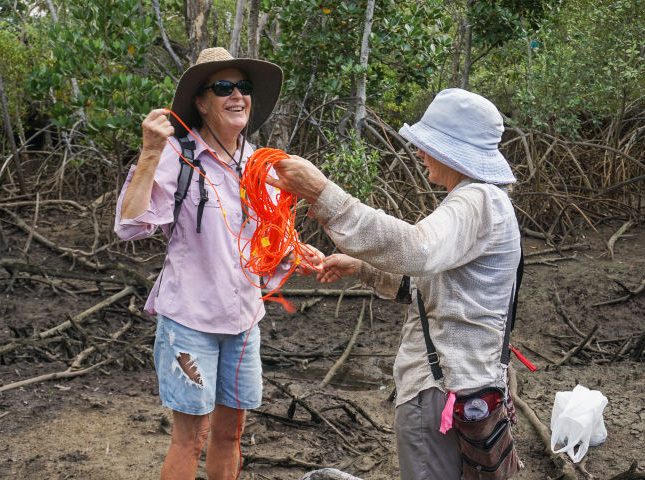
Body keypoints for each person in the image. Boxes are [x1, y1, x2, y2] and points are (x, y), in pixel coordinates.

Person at [266, 88, 522, 479]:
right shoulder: (485, 201)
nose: (420, 153)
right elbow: (431, 286)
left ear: (452, 151)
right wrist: (361, 266)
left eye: (426, 145)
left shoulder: (476, 202)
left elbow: (417, 251)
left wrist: (323, 194)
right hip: (471, 386)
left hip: (444, 389)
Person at [114, 47, 323, 479]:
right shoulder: (177, 155)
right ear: (202, 102)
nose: (237, 96)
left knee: (230, 435)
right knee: (191, 438)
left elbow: (261, 239)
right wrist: (150, 151)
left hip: (244, 319)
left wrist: (295, 253)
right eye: (223, 87)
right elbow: (130, 226)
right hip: (190, 320)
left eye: (243, 87)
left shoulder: (259, 163)